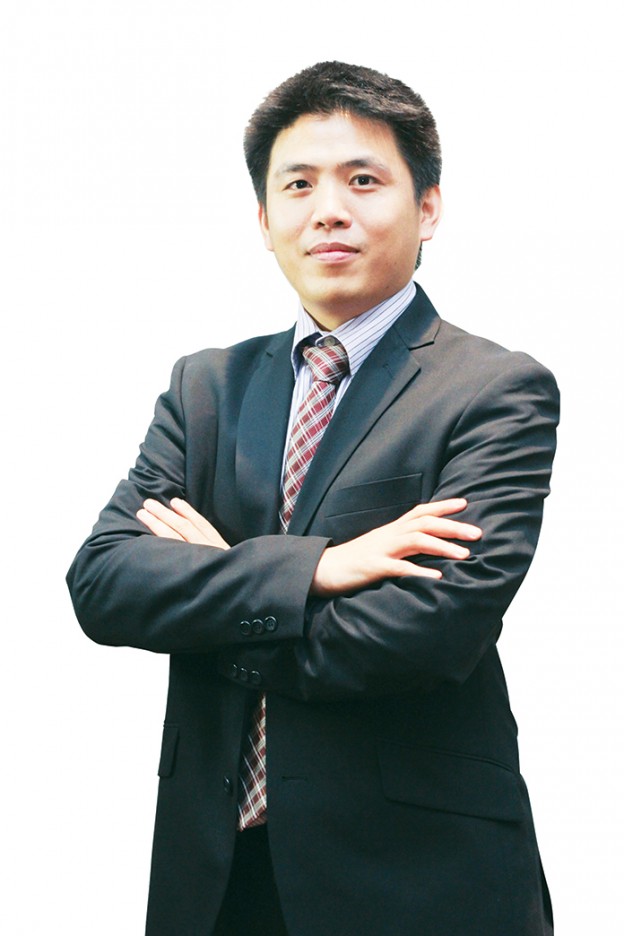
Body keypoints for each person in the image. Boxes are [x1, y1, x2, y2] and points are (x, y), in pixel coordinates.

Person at [67, 61, 558, 936]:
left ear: (428, 208)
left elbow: (427, 634)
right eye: (298, 185)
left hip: (416, 877)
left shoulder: (494, 390)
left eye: (363, 180)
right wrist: (322, 569)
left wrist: (218, 597)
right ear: (265, 220)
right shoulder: (205, 389)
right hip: (215, 876)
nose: (328, 209)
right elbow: (104, 584)